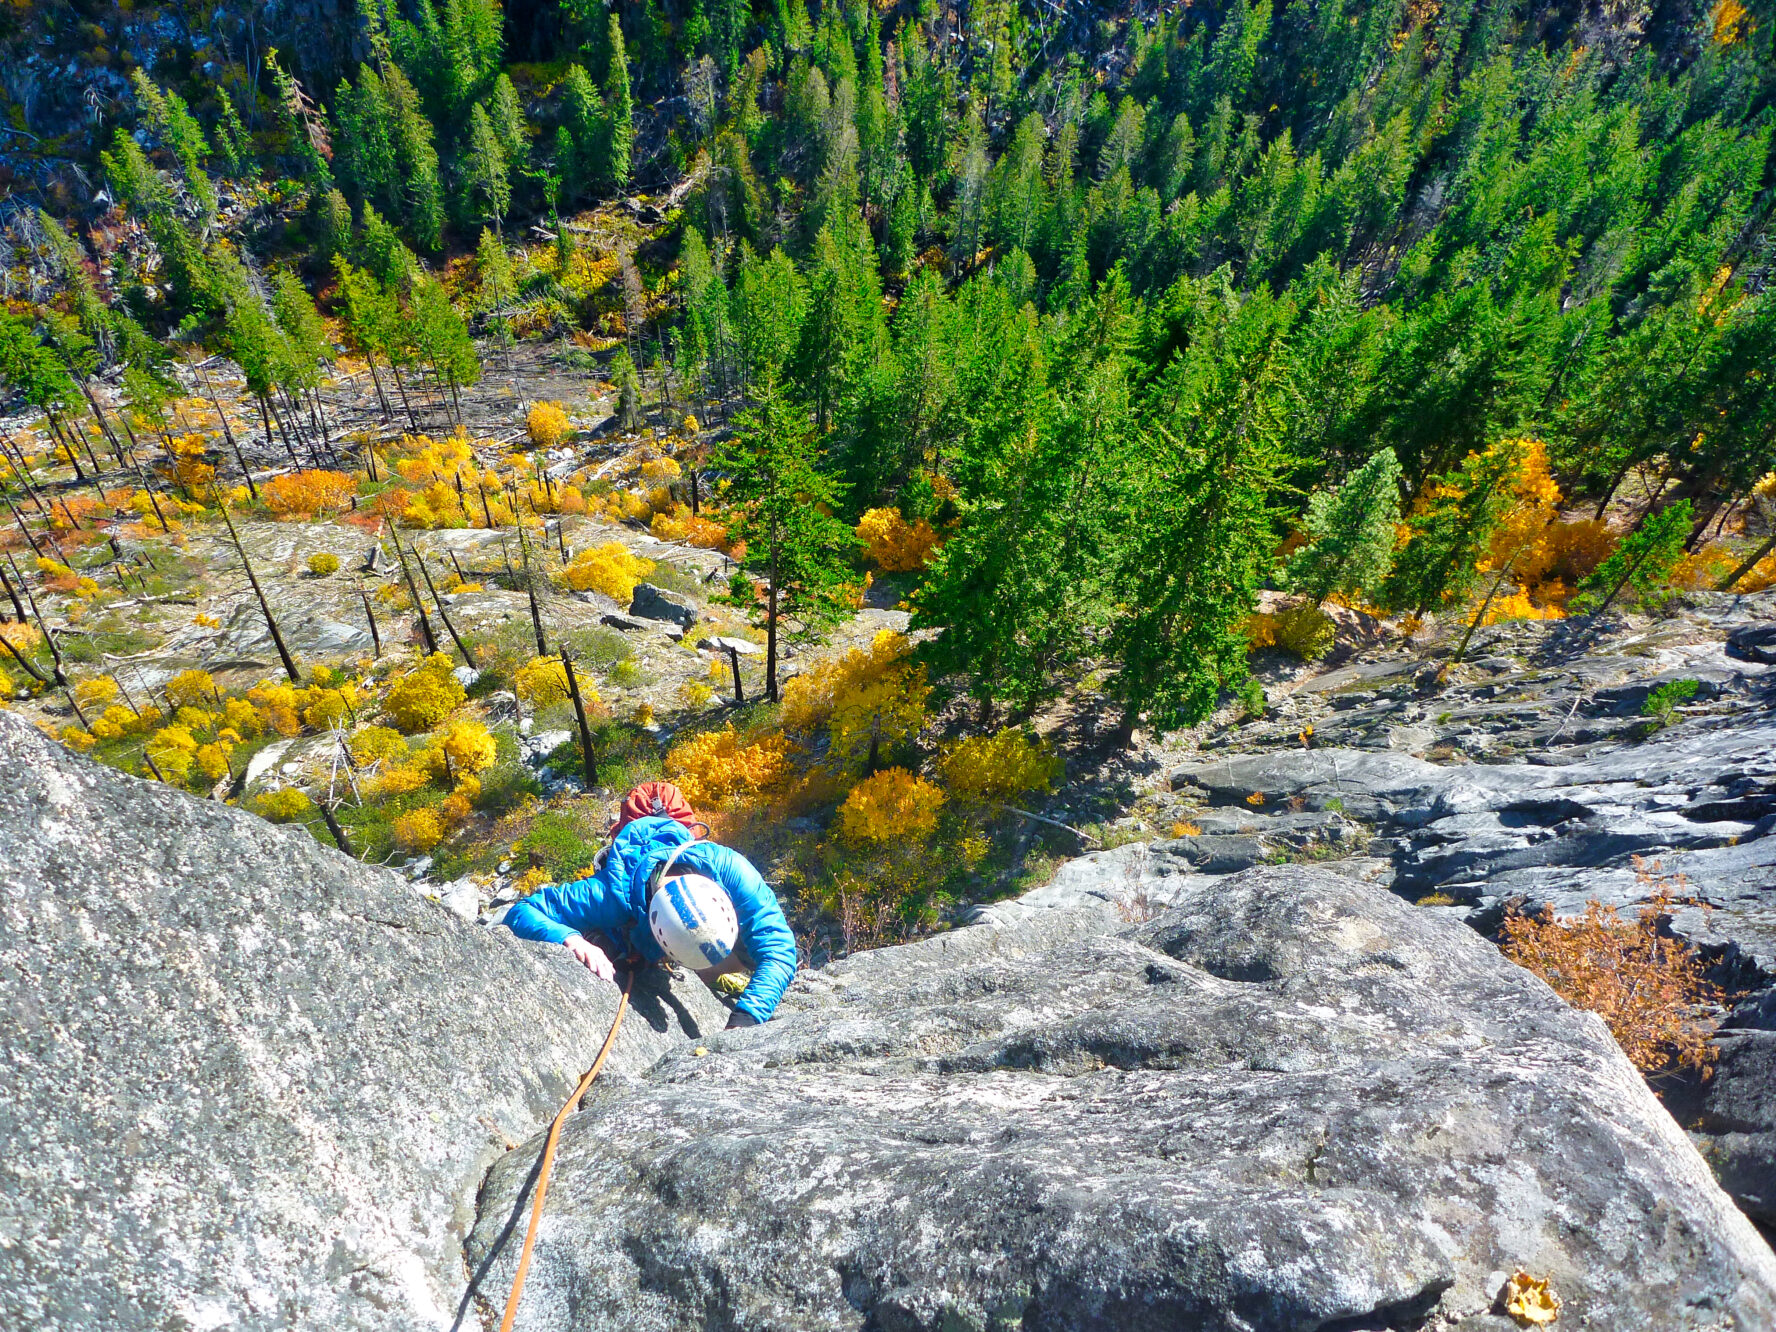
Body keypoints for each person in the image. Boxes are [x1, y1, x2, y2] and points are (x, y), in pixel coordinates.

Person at [504, 783, 797, 1028]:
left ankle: (713, 970)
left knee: (748, 947)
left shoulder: (729, 868)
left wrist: (748, 1016)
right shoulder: (610, 894)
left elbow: (779, 950)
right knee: (607, 942)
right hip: (629, 912)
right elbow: (522, 911)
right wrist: (572, 940)